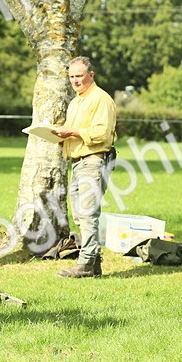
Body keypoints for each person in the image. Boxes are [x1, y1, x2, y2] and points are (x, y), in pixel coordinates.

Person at [52, 56, 117, 278]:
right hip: (78, 162)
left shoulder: (101, 99)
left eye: (79, 76)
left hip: (94, 160)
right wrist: (59, 136)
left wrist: (71, 132)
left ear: (91, 75)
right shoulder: (76, 102)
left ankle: (86, 263)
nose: (75, 81)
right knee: (81, 215)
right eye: (71, 76)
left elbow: (102, 133)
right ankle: (94, 262)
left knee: (88, 214)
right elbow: (76, 132)